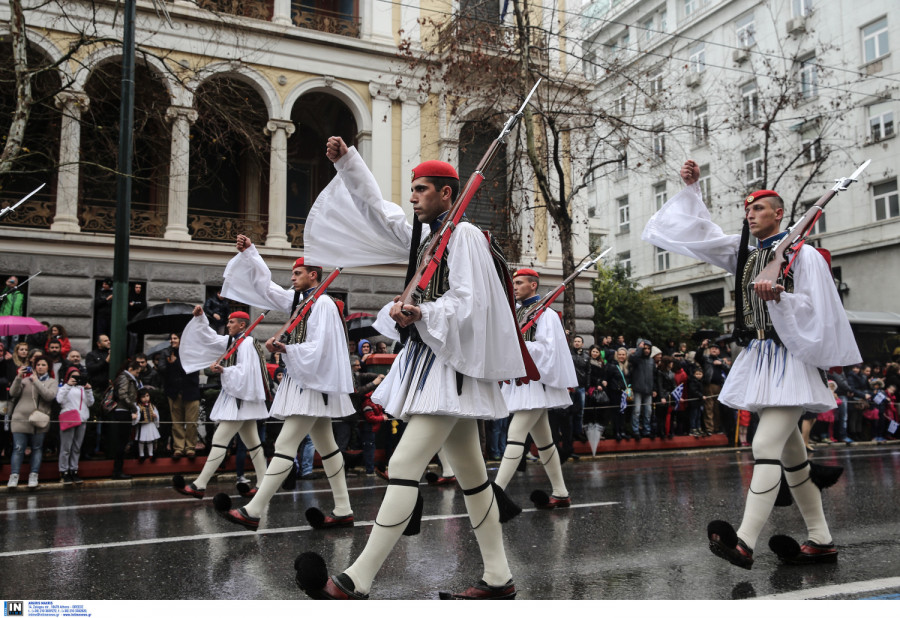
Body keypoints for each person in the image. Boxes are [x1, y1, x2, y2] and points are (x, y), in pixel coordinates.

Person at [293, 136, 530, 600]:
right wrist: (349, 163)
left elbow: (469, 300)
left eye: (422, 189)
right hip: (432, 364)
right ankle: (499, 578)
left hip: (450, 368)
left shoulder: (463, 236)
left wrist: (422, 312)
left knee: (403, 464)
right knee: (474, 479)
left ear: (447, 193)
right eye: (414, 188)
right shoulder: (427, 238)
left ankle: (356, 580)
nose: (413, 196)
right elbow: (380, 210)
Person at [643, 159, 861, 568]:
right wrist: (693, 188)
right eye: (747, 209)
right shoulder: (743, 253)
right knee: (792, 457)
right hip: (760, 357)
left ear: (780, 213)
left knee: (763, 446)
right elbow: (700, 236)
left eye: (759, 208)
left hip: (792, 359)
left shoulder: (804, 255)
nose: (750, 214)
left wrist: (782, 298)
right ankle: (821, 539)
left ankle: (744, 542)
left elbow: (823, 309)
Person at [214, 236, 355, 531]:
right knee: (327, 448)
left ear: (313, 275)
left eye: (297, 274)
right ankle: (343, 509)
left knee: (284, 444)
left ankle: (253, 510)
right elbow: (266, 287)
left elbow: (320, 347)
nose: (292, 278)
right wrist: (252, 253)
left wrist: (286, 349)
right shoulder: (300, 301)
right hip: (305, 380)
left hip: (312, 383)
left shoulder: (324, 304)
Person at [495, 268, 577, 508]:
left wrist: (519, 344)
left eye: (519, 283)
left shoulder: (547, 315)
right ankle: (561, 493)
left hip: (536, 384)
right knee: (544, 441)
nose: (515, 286)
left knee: (515, 435)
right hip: (523, 383)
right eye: (514, 282)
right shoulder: (519, 313)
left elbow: (548, 351)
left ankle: (496, 493)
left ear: (533, 285)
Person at [172, 306, 270, 498]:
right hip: (237, 396)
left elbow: (247, 371)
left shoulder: (247, 343)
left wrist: (224, 370)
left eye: (231, 322)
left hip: (240, 398)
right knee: (254, 443)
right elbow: (209, 338)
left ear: (242, 325)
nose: (227, 324)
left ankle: (200, 485)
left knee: (219, 440)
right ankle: (263, 484)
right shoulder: (232, 341)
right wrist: (201, 319)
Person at [8, 358, 58, 488]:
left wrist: (36, 382)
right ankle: (14, 476)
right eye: (38, 365)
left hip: (39, 421)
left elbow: (49, 396)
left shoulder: (52, 382)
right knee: (18, 448)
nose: (40, 367)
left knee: (37, 448)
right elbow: (13, 392)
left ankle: (34, 475)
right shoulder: (25, 380)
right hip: (20, 419)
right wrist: (19, 377)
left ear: (48, 367)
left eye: (43, 364)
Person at [158, 332, 201, 459]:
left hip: (191, 392)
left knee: (191, 422)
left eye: (175, 338)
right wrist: (172, 364)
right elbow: (162, 369)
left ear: (182, 339)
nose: (172, 340)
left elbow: (191, 371)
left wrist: (175, 363)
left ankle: (190, 448)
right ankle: (178, 448)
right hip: (174, 392)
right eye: (171, 338)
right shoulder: (166, 352)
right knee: (176, 423)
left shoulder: (191, 352)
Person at [56, 366, 93, 484]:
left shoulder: (82, 388)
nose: (76, 379)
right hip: (69, 419)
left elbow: (90, 403)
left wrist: (88, 389)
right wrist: (67, 385)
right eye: (73, 376)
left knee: (77, 447)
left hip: (82, 419)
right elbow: (59, 400)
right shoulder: (64, 387)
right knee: (66, 447)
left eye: (78, 376)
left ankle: (74, 470)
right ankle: (64, 471)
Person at [110, 359, 142, 479]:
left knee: (123, 442)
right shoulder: (125, 377)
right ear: (130, 370)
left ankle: (118, 470)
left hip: (124, 410)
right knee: (122, 442)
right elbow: (123, 394)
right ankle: (117, 471)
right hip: (123, 411)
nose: (137, 375)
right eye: (137, 372)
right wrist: (133, 407)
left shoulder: (126, 377)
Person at [628, 340, 655, 439]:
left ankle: (646, 430)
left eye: (648, 349)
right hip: (637, 388)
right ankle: (635, 430)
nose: (647, 350)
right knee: (637, 411)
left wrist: (654, 389)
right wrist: (639, 349)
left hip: (648, 389)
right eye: (645, 349)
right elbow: (633, 359)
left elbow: (654, 376)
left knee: (648, 411)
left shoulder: (652, 361)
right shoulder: (637, 359)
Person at [132, 388, 160, 462]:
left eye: (147, 396)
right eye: (143, 397)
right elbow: (135, 416)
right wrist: (136, 417)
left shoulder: (152, 406)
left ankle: (151, 454)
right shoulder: (138, 407)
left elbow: (157, 415)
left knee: (150, 440)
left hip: (150, 425)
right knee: (141, 440)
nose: (146, 398)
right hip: (142, 426)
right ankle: (141, 455)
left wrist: (155, 417)